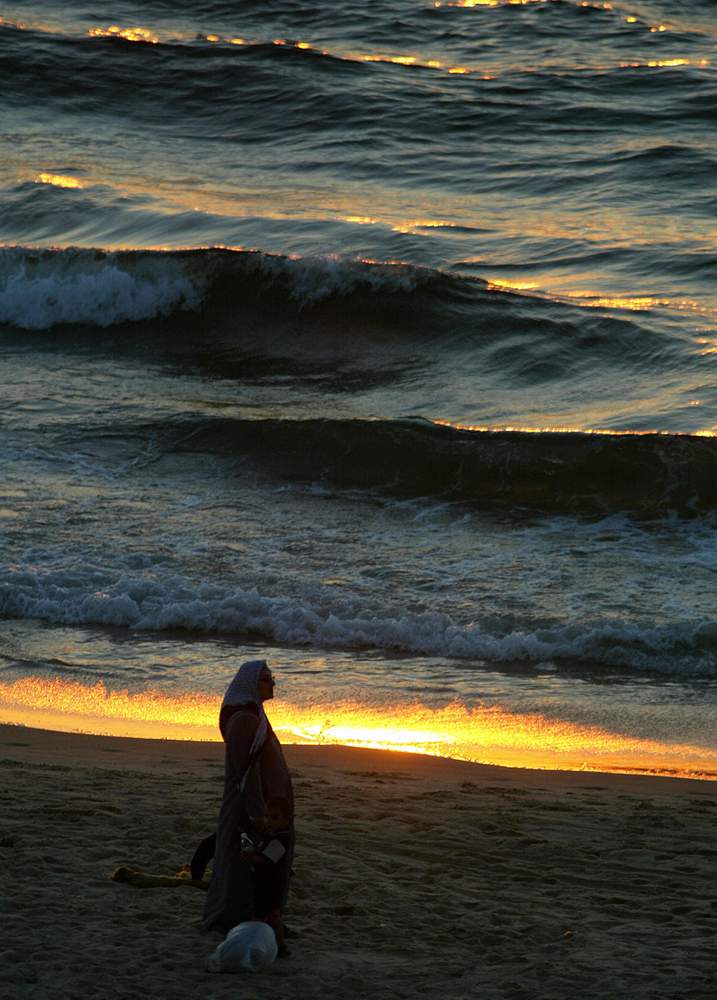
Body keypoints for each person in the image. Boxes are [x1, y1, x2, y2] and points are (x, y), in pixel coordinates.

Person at [202, 659, 294, 938]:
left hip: (266, 808)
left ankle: (264, 919)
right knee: (244, 864)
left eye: (272, 677)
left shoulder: (253, 714)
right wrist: (258, 813)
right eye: (266, 678)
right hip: (251, 810)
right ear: (251, 684)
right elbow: (247, 774)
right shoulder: (244, 719)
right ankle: (232, 919)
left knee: (269, 868)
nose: (273, 683)